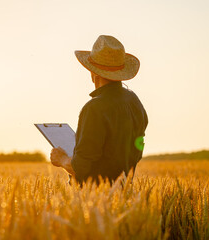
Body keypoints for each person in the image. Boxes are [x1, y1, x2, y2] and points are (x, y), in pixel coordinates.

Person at [50, 35, 148, 184]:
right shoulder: (134, 102)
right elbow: (137, 149)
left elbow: (81, 167)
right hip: (125, 195)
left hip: (94, 200)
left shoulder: (94, 109)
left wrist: (61, 159)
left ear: (93, 72)